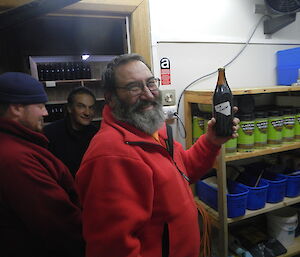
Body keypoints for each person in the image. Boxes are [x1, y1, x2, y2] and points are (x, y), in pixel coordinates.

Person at [75, 54, 239, 257]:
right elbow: (112, 248)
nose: (148, 94)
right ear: (110, 98)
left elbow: (183, 169)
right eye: (134, 87)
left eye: (150, 83)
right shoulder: (110, 156)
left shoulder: (151, 129)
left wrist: (211, 141)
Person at [0, 72, 85, 257]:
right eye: (40, 106)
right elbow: (58, 222)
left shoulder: (20, 145)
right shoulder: (16, 159)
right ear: (16, 108)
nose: (45, 113)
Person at [44, 86, 98, 177]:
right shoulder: (50, 134)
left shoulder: (97, 135)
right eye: (81, 106)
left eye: (91, 107)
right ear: (69, 108)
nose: (87, 113)